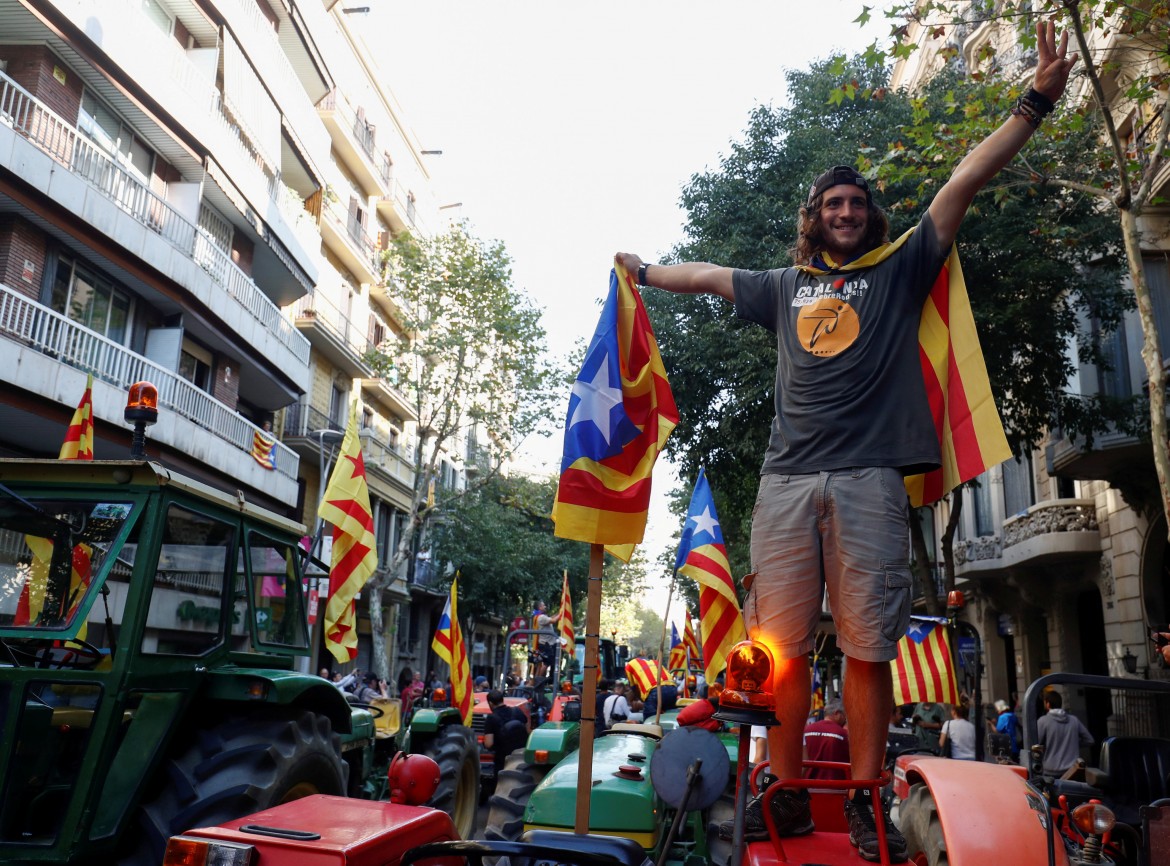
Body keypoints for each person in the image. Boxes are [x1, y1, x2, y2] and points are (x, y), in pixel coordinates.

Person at [614, 21, 1076, 861]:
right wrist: (644, 273)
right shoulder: (781, 286)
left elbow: (964, 179)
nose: (848, 213)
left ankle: (864, 796)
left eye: (858, 204)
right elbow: (710, 275)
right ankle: (783, 794)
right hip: (786, 481)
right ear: (814, 220)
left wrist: (1036, 100)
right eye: (834, 205)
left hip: (867, 479)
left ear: (870, 217)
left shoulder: (900, 269)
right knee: (778, 654)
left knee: (868, 647)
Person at [1037, 690, 1093, 778]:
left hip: (1050, 771)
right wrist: (1073, 743)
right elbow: (1090, 740)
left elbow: (1036, 744)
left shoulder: (1043, 721)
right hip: (1072, 770)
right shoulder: (1074, 720)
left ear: (1048, 704)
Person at [483, 689, 529, 775]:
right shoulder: (517, 711)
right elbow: (527, 731)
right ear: (502, 699)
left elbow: (488, 743)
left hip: (502, 759)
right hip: (520, 756)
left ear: (490, 703)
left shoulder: (491, 718)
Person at [803, 698, 850, 781]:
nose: (845, 719)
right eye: (844, 715)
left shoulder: (807, 730)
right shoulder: (843, 734)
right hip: (834, 787)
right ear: (837, 713)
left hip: (806, 786)